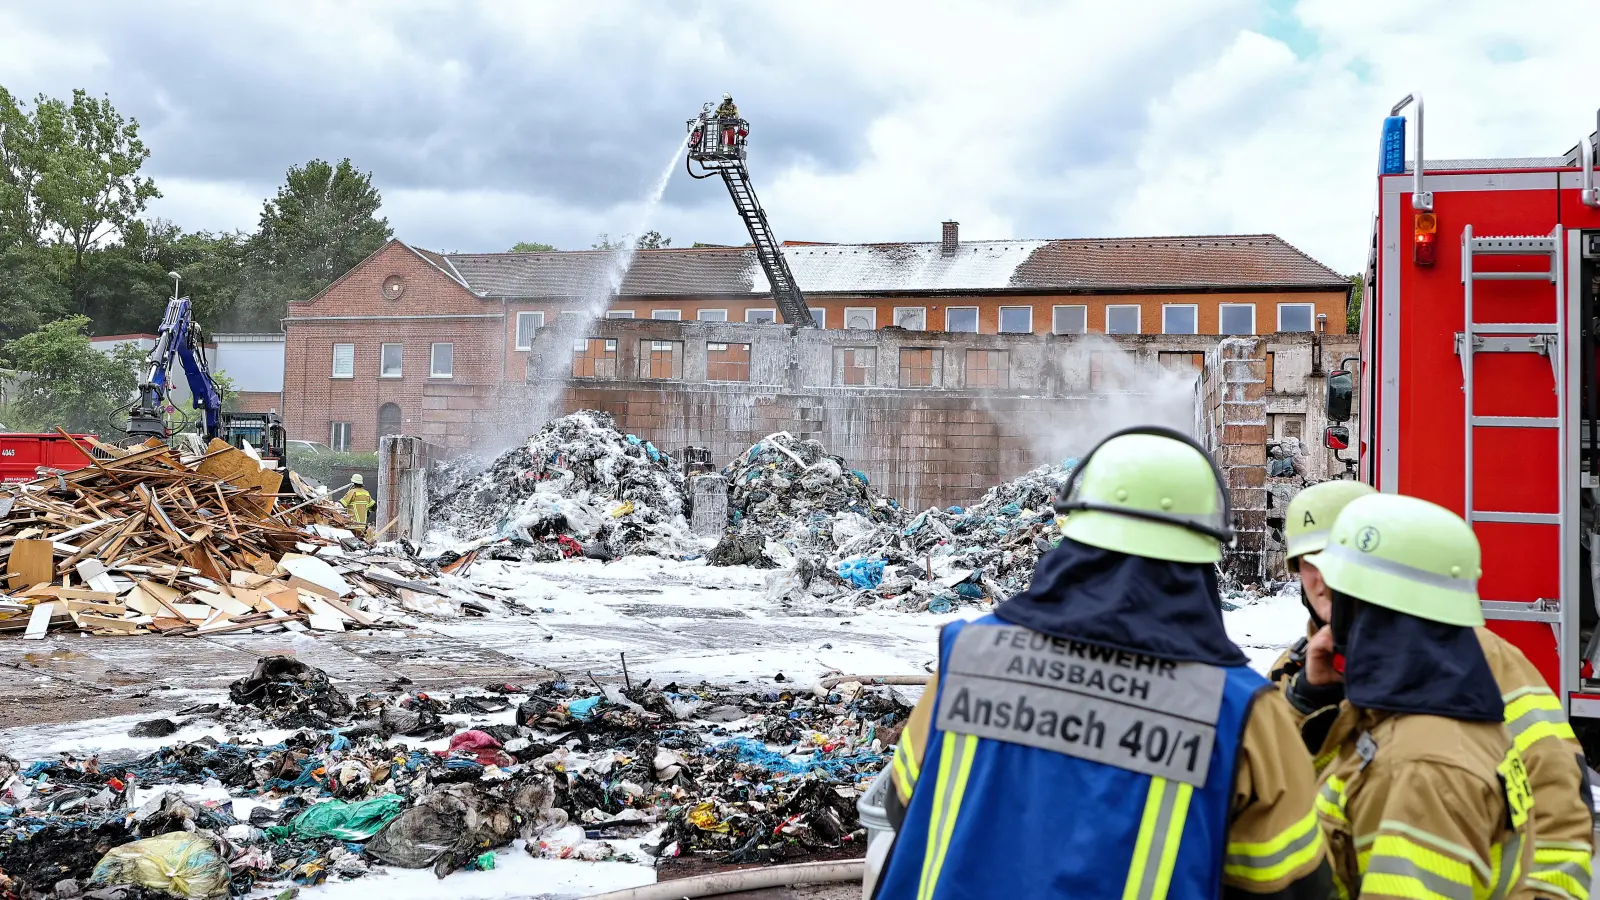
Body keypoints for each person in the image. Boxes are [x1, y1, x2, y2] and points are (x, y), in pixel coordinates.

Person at [874, 426, 1331, 900]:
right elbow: (1293, 886)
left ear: (1073, 535)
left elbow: (900, 805)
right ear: (1202, 558)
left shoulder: (969, 656)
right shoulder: (1240, 712)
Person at [1275, 483, 1594, 899]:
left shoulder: (1481, 664)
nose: (1323, 582)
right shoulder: (1296, 670)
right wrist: (1307, 702)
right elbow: (1273, 791)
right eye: (1308, 564)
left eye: (1336, 563)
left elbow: (1559, 796)